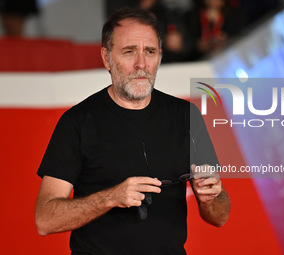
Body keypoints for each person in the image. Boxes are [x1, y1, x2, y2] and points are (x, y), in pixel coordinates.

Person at [35, 7, 230, 255]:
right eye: (129, 52)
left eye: (149, 52)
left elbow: (220, 217)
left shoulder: (186, 115)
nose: (141, 64)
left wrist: (212, 195)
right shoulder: (77, 122)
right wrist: (111, 197)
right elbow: (45, 220)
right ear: (107, 58)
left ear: (159, 56)